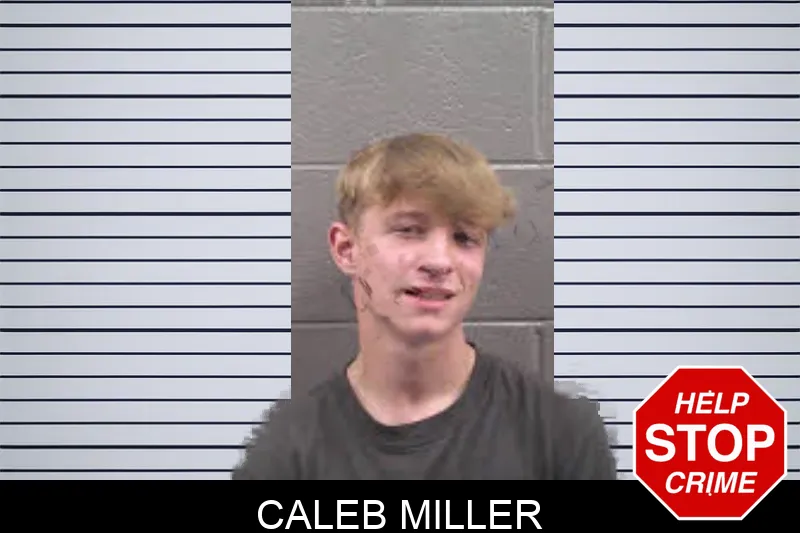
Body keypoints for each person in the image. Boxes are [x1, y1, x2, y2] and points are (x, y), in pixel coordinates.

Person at [232, 132, 617, 480]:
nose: (439, 261)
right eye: (409, 230)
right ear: (346, 249)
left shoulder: (561, 436)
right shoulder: (282, 453)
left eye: (464, 238)